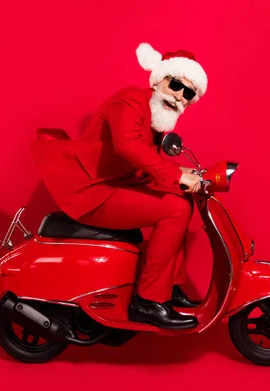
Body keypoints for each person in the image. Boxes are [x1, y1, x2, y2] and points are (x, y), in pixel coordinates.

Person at [30, 42, 208, 329]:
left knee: (181, 199)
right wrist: (176, 176)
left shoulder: (153, 122)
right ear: (159, 79)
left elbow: (143, 167)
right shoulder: (130, 101)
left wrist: (181, 174)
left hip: (113, 187)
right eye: (175, 85)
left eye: (188, 93)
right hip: (92, 192)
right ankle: (148, 301)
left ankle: (170, 286)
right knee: (174, 209)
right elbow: (128, 146)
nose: (178, 97)